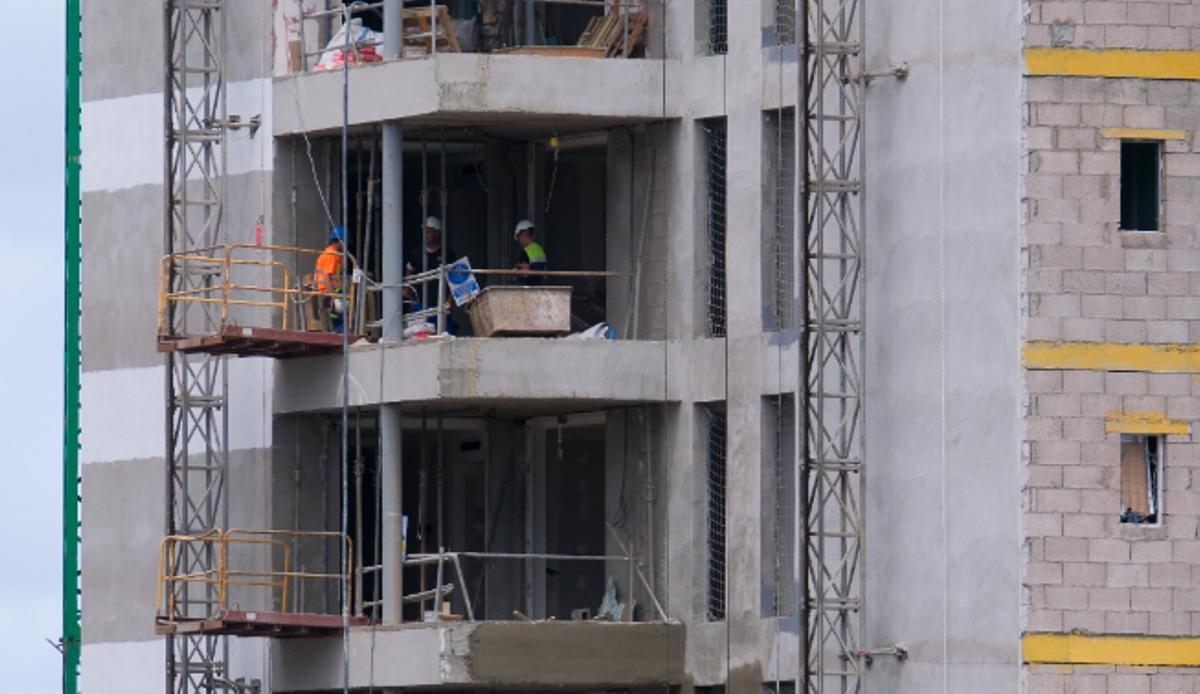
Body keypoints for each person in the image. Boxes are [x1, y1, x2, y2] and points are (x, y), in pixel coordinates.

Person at [314, 226, 347, 332]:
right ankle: (338, 336)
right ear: (339, 241)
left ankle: (337, 334)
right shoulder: (331, 255)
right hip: (328, 291)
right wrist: (334, 297)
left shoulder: (335, 254)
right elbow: (326, 277)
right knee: (336, 317)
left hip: (331, 290)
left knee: (337, 317)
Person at [513, 219, 546, 286]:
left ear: (525, 233)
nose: (519, 239)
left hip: (526, 287)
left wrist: (514, 271)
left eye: (519, 236)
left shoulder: (525, 251)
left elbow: (525, 273)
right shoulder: (540, 249)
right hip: (539, 287)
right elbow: (545, 274)